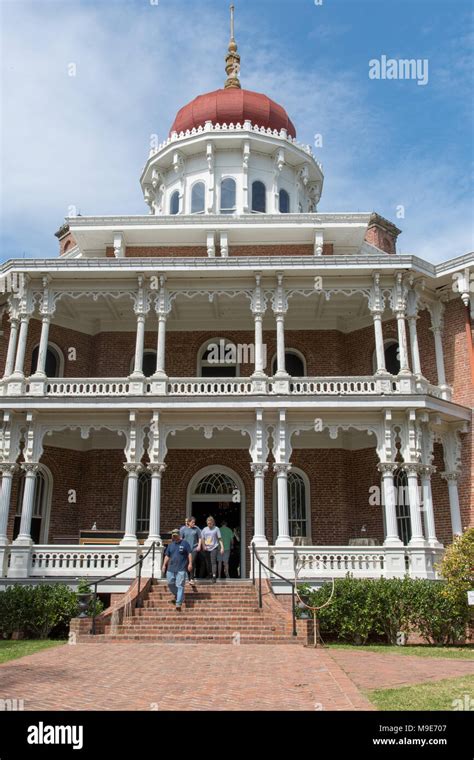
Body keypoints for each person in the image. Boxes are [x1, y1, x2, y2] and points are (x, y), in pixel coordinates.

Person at [162, 529, 192, 610]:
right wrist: (164, 565)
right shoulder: (170, 545)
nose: (174, 536)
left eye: (176, 535)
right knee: (170, 583)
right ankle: (180, 595)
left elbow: (189, 553)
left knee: (180, 585)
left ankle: (178, 603)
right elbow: (167, 556)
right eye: (173, 535)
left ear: (179, 535)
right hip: (171, 569)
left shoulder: (185, 543)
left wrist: (190, 563)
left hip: (181, 569)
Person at [179, 515, 202, 588]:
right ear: (188, 522)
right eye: (192, 522)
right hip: (186, 549)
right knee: (187, 563)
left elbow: (200, 537)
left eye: (194, 522)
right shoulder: (183, 529)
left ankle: (192, 578)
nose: (194, 523)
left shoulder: (196, 529)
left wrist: (199, 546)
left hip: (194, 548)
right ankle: (189, 578)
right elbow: (181, 538)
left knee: (192, 562)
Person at [200, 516, 224, 583]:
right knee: (208, 562)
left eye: (210, 523)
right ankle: (209, 574)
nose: (209, 525)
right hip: (206, 548)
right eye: (208, 523)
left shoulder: (216, 529)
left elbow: (219, 538)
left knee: (213, 562)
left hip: (214, 547)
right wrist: (203, 546)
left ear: (213, 522)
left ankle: (214, 576)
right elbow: (202, 538)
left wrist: (222, 547)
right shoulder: (204, 529)